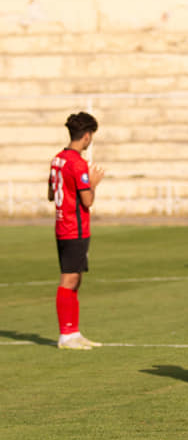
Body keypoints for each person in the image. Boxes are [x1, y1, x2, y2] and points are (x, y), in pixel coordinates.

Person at [48, 112, 105, 350]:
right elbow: (87, 201)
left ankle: (73, 331)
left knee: (75, 278)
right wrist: (92, 183)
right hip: (75, 228)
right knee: (69, 279)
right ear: (87, 136)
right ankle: (66, 335)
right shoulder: (77, 163)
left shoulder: (57, 159)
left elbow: (51, 195)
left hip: (63, 225)